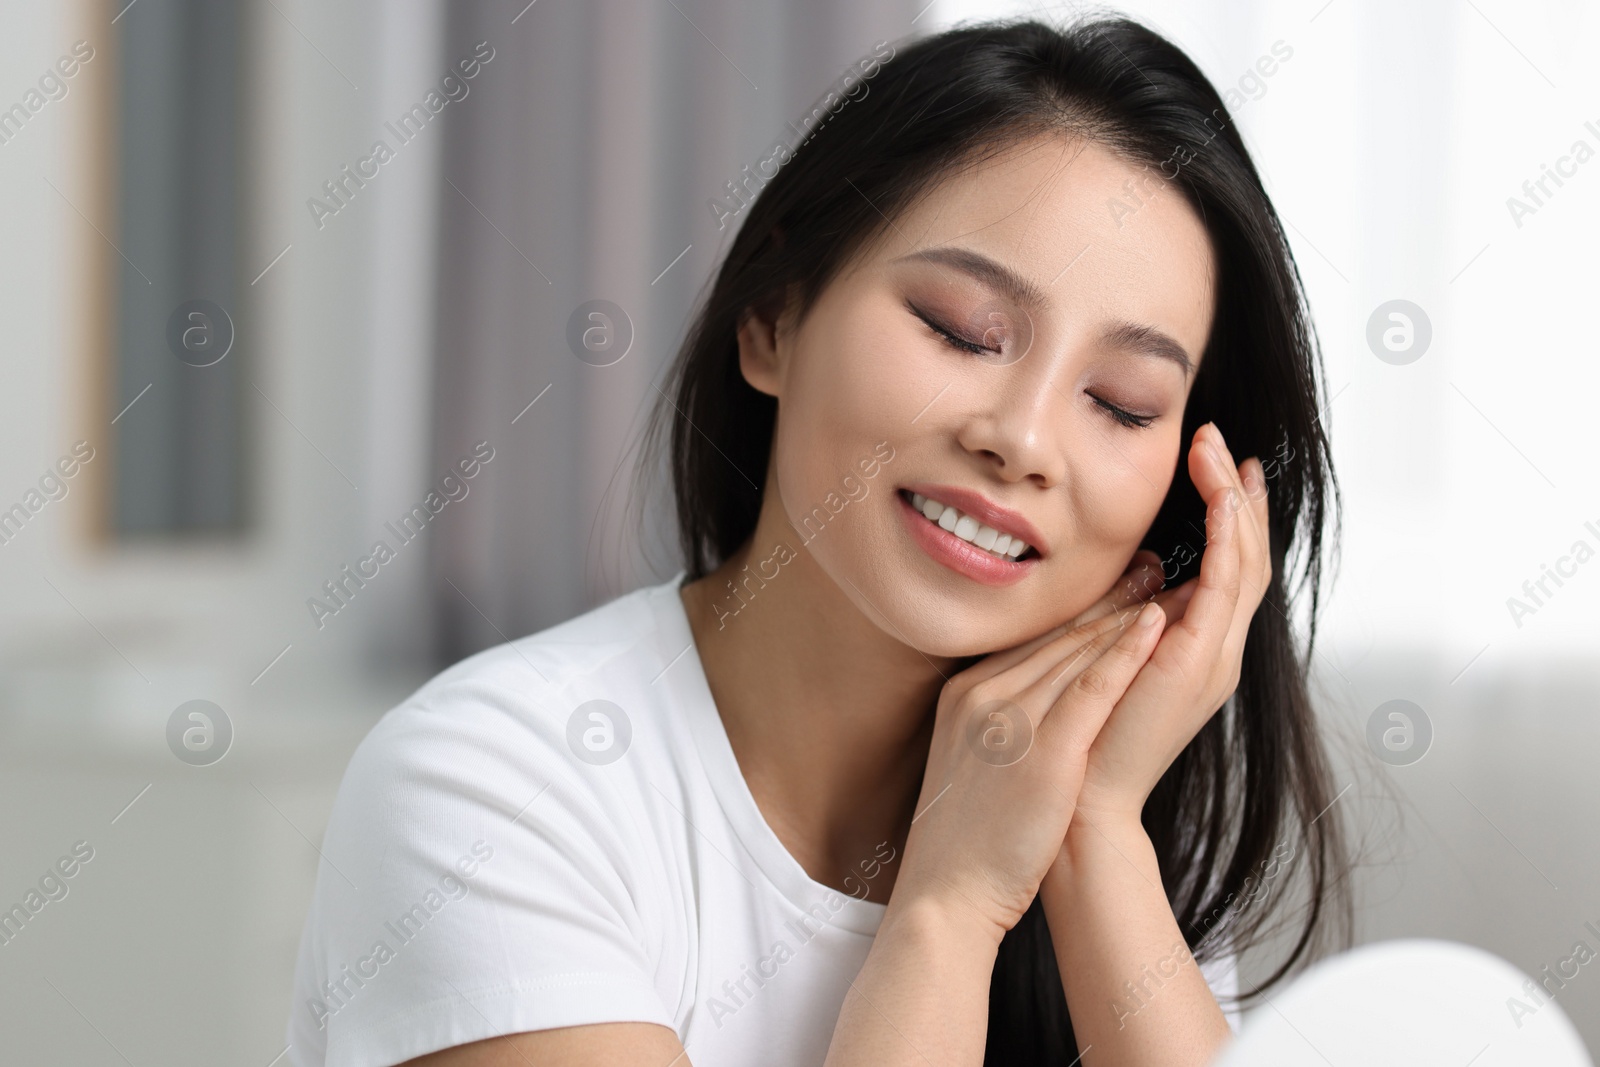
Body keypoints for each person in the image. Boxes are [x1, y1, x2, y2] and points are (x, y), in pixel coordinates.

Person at [286, 16, 1351, 1067]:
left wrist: (1097, 837)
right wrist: (948, 907)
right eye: (959, 330)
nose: (1022, 439)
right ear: (774, 317)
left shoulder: (1116, 836)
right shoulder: (492, 786)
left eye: (1120, 402)